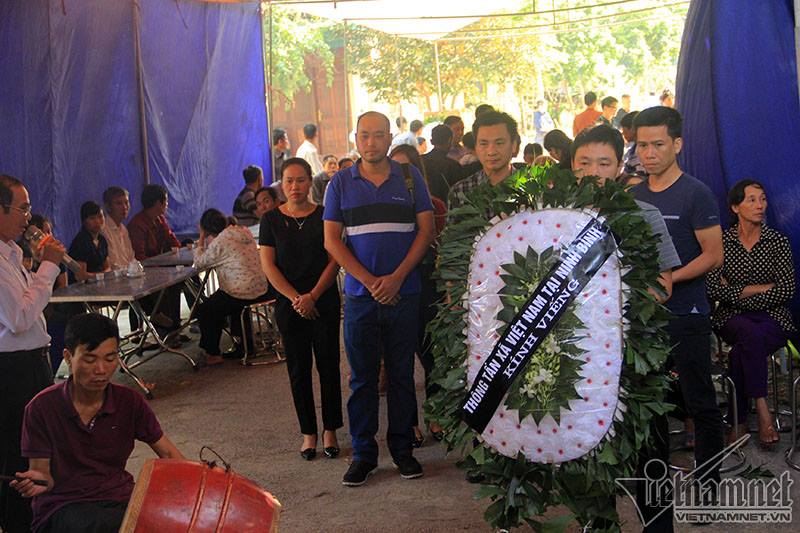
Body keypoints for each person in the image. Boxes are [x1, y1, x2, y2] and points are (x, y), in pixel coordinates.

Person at [323, 111, 434, 486]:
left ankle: (403, 451)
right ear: (356, 138)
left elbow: (426, 231)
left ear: (390, 138)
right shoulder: (339, 183)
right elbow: (332, 241)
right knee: (362, 378)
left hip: (405, 294)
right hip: (359, 297)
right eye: (365, 136)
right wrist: (371, 281)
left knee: (402, 374)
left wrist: (397, 278)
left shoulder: (409, 177)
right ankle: (364, 455)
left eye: (379, 136)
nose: (371, 143)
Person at [630, 106, 724, 529]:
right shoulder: (631, 197)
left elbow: (714, 255)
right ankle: (656, 506)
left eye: (657, 145)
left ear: (677, 145)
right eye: (642, 145)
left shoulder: (696, 193)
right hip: (644, 323)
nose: (648, 154)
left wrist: (669, 278)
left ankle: (707, 491)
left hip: (687, 315)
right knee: (648, 415)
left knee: (700, 405)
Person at [11, 313, 183, 532]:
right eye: (90, 359)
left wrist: (202, 485)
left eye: (110, 359)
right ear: (68, 357)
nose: (101, 370)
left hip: (118, 497)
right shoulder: (41, 408)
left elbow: (168, 454)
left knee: (167, 520)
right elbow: (42, 474)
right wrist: (36, 481)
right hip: (63, 506)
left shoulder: (129, 401)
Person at [260, 158, 343, 461]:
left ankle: (331, 429)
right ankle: (308, 432)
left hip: (324, 300)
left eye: (301, 180)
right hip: (288, 304)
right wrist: (297, 298)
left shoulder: (325, 215)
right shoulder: (270, 220)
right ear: (281, 184)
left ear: (311, 182)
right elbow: (268, 265)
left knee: (329, 365)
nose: (295, 187)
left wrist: (314, 295)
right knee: (298, 369)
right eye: (289, 181)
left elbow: (335, 258)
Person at [707, 179, 795, 448]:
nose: (760, 206)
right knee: (748, 332)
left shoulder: (777, 242)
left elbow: (787, 289)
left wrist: (737, 292)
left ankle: (739, 419)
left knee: (743, 346)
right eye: (752, 200)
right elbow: (712, 288)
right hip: (732, 320)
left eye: (763, 199)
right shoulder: (721, 241)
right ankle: (762, 405)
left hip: (773, 319)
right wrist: (762, 289)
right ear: (735, 207)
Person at [0, 175, 66, 532]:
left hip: (32, 363)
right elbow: (20, 318)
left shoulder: (10, 252)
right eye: (21, 208)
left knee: (42, 448)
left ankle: (40, 519)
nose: (28, 216)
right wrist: (50, 267)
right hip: (12, 372)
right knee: (19, 456)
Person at [388, 144, 446, 446]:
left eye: (406, 169)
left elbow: (443, 248)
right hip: (392, 287)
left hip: (425, 284)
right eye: (394, 169)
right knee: (400, 360)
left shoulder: (434, 205)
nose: (401, 175)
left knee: (432, 356)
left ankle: (435, 415)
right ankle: (408, 423)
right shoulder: (381, 203)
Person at [193, 209, 269, 365]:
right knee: (227, 301)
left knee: (205, 310)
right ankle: (243, 345)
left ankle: (213, 353)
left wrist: (201, 238)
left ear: (207, 229)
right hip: (262, 288)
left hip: (240, 292)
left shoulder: (220, 242)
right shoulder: (243, 232)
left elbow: (199, 264)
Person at [128, 184, 183, 331]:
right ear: (158, 203)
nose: (167, 205)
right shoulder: (137, 225)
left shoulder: (160, 219)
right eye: (165, 201)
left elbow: (172, 240)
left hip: (158, 267)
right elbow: (140, 258)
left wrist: (180, 249)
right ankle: (167, 331)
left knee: (182, 279)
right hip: (144, 271)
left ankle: (177, 326)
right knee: (168, 282)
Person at [448, 110, 520, 214]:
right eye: (483, 144)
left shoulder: (533, 190)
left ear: (514, 145)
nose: (491, 152)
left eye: (499, 143)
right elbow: (454, 230)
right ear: (476, 147)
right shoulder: (461, 192)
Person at [422, 124, 465, 204]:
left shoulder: (420, 160)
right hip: (446, 209)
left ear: (431, 141)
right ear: (450, 141)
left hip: (424, 206)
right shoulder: (453, 165)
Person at [68, 201, 109, 282]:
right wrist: (101, 275)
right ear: (84, 221)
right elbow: (80, 276)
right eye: (92, 218)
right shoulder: (81, 242)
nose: (97, 221)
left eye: (100, 216)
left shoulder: (102, 240)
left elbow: (107, 267)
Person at [101, 187, 135, 271]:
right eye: (119, 203)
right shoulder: (104, 230)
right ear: (108, 207)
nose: (124, 207)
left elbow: (131, 258)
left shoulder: (123, 229)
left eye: (126, 202)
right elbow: (113, 265)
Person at [619, 111, 646, 176]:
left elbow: (640, 175)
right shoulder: (633, 149)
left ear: (633, 129)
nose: (623, 134)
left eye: (624, 130)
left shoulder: (640, 151)